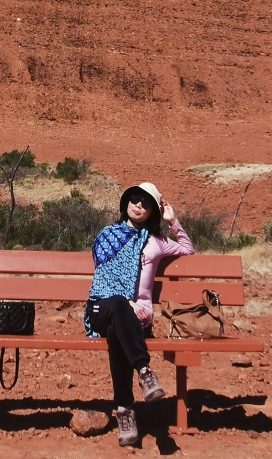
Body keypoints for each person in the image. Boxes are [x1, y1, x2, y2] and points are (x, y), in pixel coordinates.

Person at [84, 182, 194, 447]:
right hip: (102, 307)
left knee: (116, 331)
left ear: (152, 212)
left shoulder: (157, 242)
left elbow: (187, 250)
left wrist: (173, 221)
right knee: (120, 307)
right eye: (134, 199)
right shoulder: (107, 235)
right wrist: (125, 301)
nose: (138, 205)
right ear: (126, 203)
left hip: (135, 320)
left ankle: (124, 412)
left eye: (146, 203)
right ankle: (145, 372)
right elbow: (102, 280)